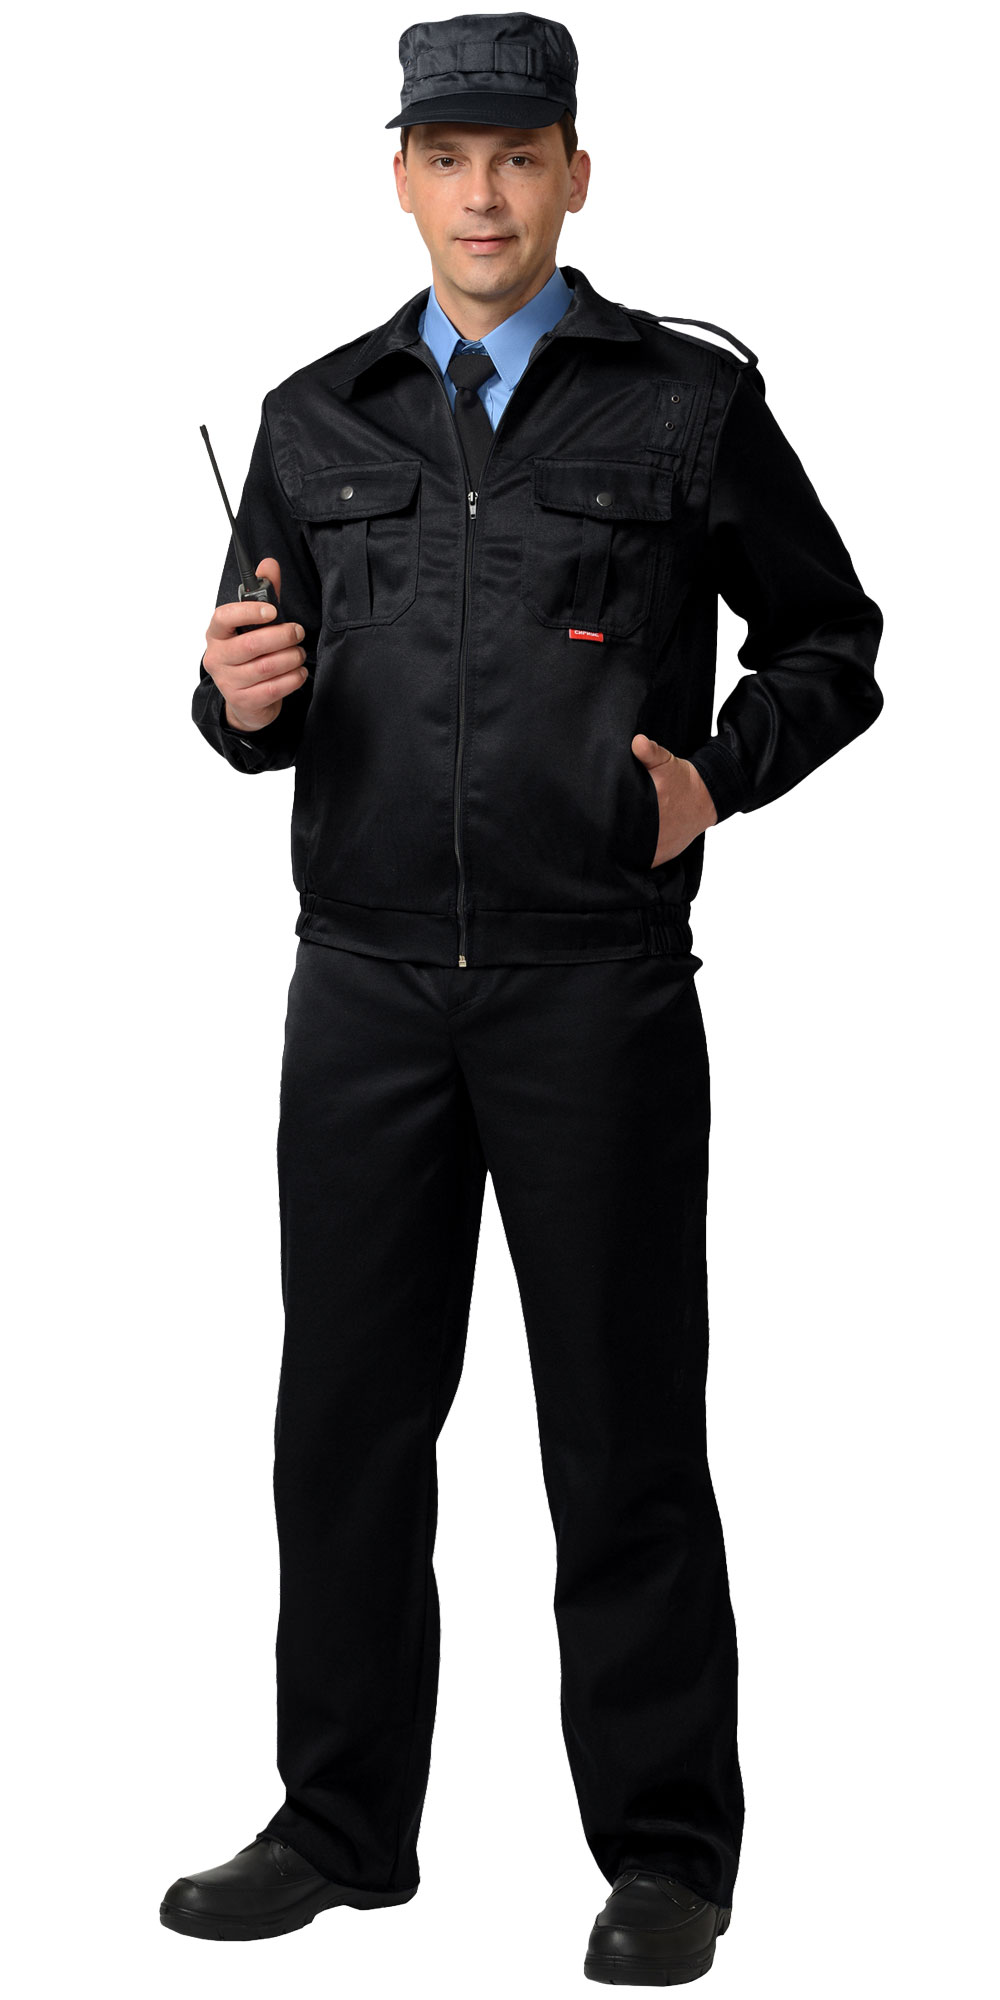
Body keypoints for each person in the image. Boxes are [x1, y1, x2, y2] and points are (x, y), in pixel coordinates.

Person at [160, 10, 884, 1983]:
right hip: (365, 990)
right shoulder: (315, 418)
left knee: (622, 1426)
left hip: (594, 992)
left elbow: (832, 639)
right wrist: (229, 701)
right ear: (399, 178)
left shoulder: (685, 405)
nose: (482, 194)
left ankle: (666, 1853)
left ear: (574, 174)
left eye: (518, 156)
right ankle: (335, 1825)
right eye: (447, 156)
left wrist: (716, 774)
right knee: (344, 1424)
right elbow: (248, 699)